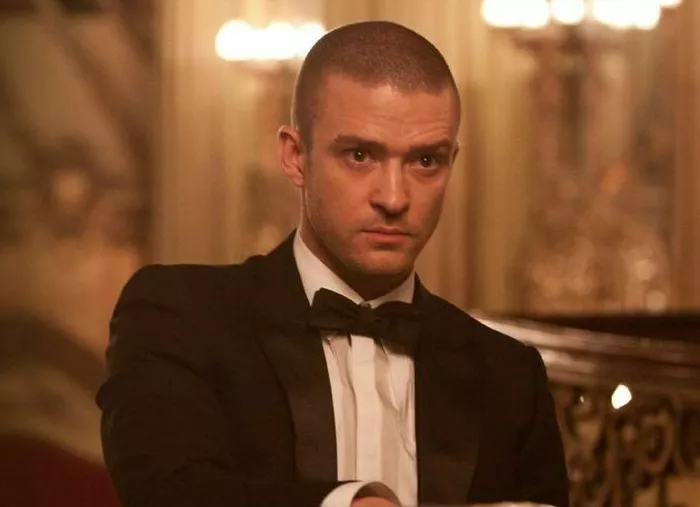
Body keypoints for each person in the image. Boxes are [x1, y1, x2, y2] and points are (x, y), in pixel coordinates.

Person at [96, 20, 569, 507]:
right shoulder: (180, 315)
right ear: (295, 156)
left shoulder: (509, 373)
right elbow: (168, 491)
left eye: (426, 161)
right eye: (360, 155)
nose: (394, 198)